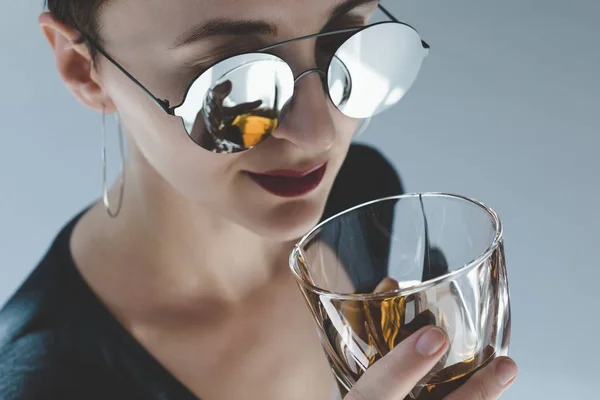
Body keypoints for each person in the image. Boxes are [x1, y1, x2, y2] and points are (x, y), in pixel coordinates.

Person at [0, 0, 518, 399]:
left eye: (344, 44)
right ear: (83, 67)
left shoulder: (359, 197)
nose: (320, 134)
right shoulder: (47, 381)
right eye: (233, 79)